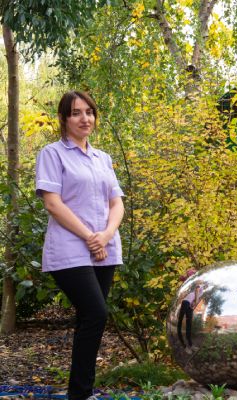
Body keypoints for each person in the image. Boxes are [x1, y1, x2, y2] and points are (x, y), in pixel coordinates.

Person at [35, 91, 125, 400]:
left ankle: (81, 391)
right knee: (95, 315)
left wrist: (105, 235)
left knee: (90, 319)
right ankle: (81, 393)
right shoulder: (52, 154)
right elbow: (52, 203)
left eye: (89, 112)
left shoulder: (103, 158)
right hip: (70, 250)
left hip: (106, 249)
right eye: (76, 113)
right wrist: (90, 236)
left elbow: (117, 203)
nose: (84, 118)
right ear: (63, 119)